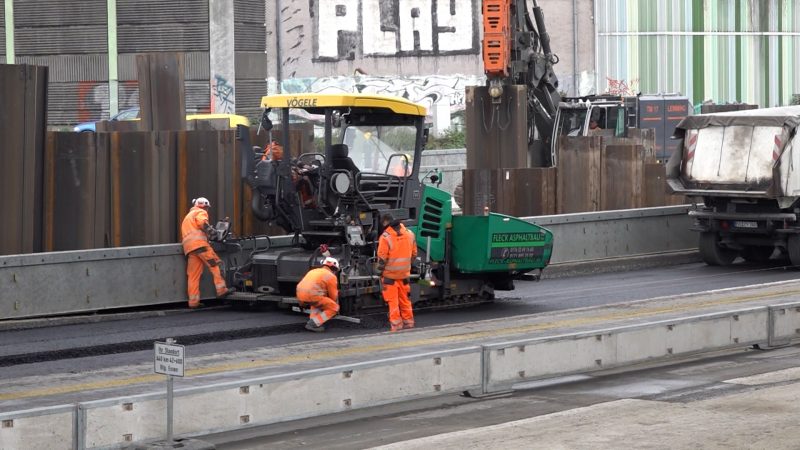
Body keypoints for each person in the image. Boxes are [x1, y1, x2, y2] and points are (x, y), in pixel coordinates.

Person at [180, 197, 234, 308]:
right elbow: (202, 223)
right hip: (200, 246)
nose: (207, 210)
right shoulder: (200, 212)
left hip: (190, 250)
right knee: (215, 265)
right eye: (207, 208)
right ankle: (221, 290)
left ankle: (193, 302)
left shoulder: (187, 217)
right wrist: (213, 233)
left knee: (193, 276)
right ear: (204, 206)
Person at [377, 213, 417, 331]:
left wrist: (378, 272)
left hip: (390, 276)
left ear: (385, 223)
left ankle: (396, 325)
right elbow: (414, 254)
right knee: (405, 300)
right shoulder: (410, 234)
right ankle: (409, 322)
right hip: (404, 274)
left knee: (393, 301)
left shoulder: (385, 236)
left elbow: (382, 259)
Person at [296, 257, 340, 332]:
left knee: (317, 303)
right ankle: (313, 324)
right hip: (313, 296)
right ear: (334, 268)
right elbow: (333, 296)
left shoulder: (313, 271)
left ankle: (314, 321)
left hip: (300, 296)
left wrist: (301, 303)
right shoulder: (331, 276)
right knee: (334, 307)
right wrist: (334, 309)